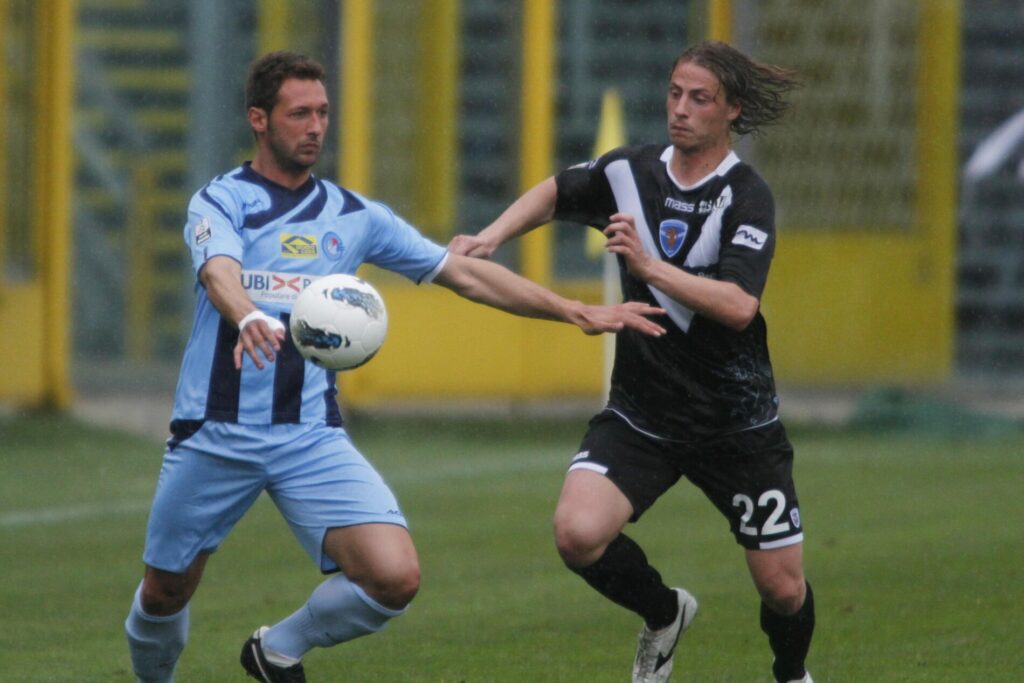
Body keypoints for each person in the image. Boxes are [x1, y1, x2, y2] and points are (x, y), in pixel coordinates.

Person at [123, 51, 665, 683]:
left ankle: (275, 651)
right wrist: (247, 316)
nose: (316, 126)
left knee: (394, 577)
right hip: (214, 430)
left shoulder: (355, 216)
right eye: (299, 113)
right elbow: (219, 272)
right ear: (259, 120)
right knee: (165, 592)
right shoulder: (221, 200)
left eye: (323, 112)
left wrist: (572, 309)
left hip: (309, 436)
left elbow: (462, 272)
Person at [449, 41, 813, 683]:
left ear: (730, 109)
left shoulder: (746, 194)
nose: (681, 109)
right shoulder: (629, 172)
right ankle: (664, 612)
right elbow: (557, 191)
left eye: (699, 99)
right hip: (643, 413)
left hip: (737, 425)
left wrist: (649, 268)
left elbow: (737, 305)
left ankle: (790, 674)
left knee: (783, 590)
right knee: (576, 533)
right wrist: (492, 236)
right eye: (675, 93)